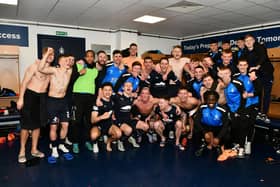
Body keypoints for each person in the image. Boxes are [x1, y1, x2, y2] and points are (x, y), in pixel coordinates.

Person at [17, 47, 54, 163]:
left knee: (37, 125)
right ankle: (22, 151)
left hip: (42, 98)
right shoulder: (34, 66)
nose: (50, 57)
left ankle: (34, 149)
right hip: (30, 96)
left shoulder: (51, 70)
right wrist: (20, 99)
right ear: (43, 55)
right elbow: (24, 82)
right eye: (48, 54)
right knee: (26, 125)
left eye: (52, 55)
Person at [38, 48, 73, 163]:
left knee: (65, 125)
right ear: (60, 62)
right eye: (65, 61)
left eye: (68, 61)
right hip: (52, 101)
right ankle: (54, 148)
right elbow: (41, 68)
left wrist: (74, 61)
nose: (67, 62)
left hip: (63, 102)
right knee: (54, 126)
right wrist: (48, 53)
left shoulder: (69, 71)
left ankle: (61, 144)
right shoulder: (54, 71)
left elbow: (79, 64)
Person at [71, 50, 99, 154]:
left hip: (90, 97)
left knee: (88, 121)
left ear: (94, 58)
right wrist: (79, 72)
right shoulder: (78, 65)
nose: (90, 58)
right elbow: (71, 79)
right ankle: (75, 143)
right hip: (78, 96)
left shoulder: (95, 70)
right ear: (85, 57)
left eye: (92, 56)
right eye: (88, 56)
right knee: (76, 121)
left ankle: (87, 141)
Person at [218, 66, 247, 158]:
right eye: (222, 74)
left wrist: (239, 110)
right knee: (234, 128)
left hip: (240, 109)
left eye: (226, 73)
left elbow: (244, 97)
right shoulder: (222, 84)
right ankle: (237, 145)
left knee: (241, 128)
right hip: (231, 110)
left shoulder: (237, 83)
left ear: (230, 73)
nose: (225, 76)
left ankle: (242, 148)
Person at [244, 34, 274, 123]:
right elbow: (245, 64)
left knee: (266, 94)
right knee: (258, 93)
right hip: (257, 75)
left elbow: (263, 57)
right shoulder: (245, 52)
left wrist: (256, 67)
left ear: (254, 41)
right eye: (246, 41)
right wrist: (250, 72)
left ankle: (264, 114)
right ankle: (257, 113)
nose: (248, 42)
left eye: (250, 40)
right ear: (245, 43)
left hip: (267, 74)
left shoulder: (259, 47)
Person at [194, 90, 229, 156]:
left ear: (216, 100)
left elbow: (225, 125)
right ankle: (204, 143)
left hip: (217, 128)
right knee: (196, 130)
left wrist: (218, 137)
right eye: (208, 100)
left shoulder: (223, 110)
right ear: (206, 100)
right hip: (205, 127)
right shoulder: (202, 107)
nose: (211, 102)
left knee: (227, 135)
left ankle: (219, 145)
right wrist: (204, 132)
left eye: (213, 100)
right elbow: (196, 121)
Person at [91, 82, 122, 152]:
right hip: (99, 126)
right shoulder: (97, 103)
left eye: (109, 90)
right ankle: (95, 143)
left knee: (118, 134)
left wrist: (113, 114)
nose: (108, 92)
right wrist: (102, 117)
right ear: (102, 91)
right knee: (93, 136)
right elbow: (92, 120)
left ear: (112, 91)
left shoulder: (113, 100)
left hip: (109, 125)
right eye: (105, 90)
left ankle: (108, 142)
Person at [113, 82, 140, 151]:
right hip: (119, 121)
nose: (128, 87)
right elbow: (108, 102)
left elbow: (134, 108)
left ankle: (130, 137)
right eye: (126, 86)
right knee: (128, 130)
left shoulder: (132, 98)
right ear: (123, 88)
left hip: (128, 120)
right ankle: (120, 141)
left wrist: (137, 116)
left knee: (145, 126)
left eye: (130, 86)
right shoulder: (117, 96)